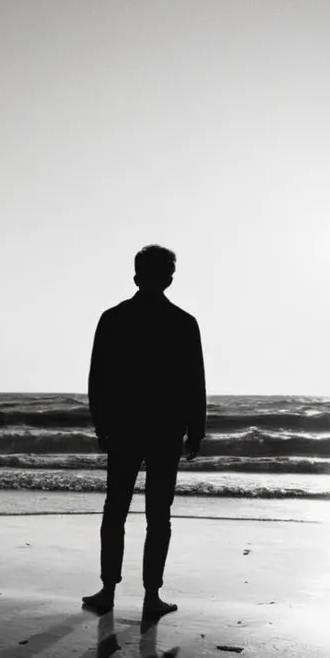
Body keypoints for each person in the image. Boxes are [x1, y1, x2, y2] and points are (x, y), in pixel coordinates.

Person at [82, 244, 206, 617]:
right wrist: (195, 431)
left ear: (136, 276)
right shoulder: (184, 323)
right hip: (166, 428)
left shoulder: (113, 318)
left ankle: (108, 590)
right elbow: (194, 382)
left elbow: (97, 380)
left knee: (115, 510)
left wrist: (101, 425)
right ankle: (151, 596)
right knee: (158, 516)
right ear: (169, 278)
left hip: (124, 426)